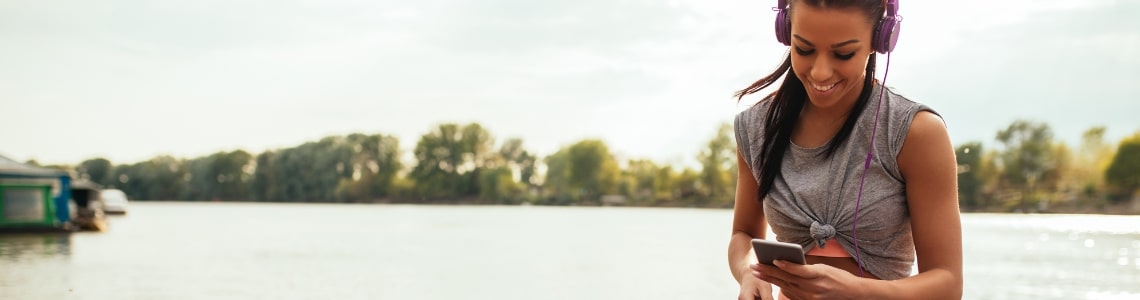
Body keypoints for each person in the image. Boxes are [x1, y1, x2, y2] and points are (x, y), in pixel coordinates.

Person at [727, 0, 963, 299]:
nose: (821, 72)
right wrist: (749, 271)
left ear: (880, 39)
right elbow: (743, 234)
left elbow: (948, 285)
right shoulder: (756, 127)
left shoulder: (916, 132)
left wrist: (856, 290)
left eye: (843, 54)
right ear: (786, 32)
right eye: (804, 49)